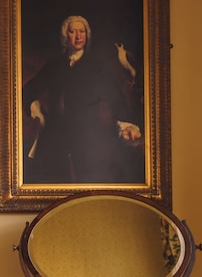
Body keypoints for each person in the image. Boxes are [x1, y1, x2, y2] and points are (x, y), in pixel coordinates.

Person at [22, 14, 144, 184]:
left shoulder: (98, 66)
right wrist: (36, 109)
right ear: (65, 36)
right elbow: (28, 91)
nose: (78, 36)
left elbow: (116, 97)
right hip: (56, 134)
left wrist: (126, 124)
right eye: (73, 32)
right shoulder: (54, 65)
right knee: (51, 179)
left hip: (88, 135)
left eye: (82, 31)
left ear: (87, 35)